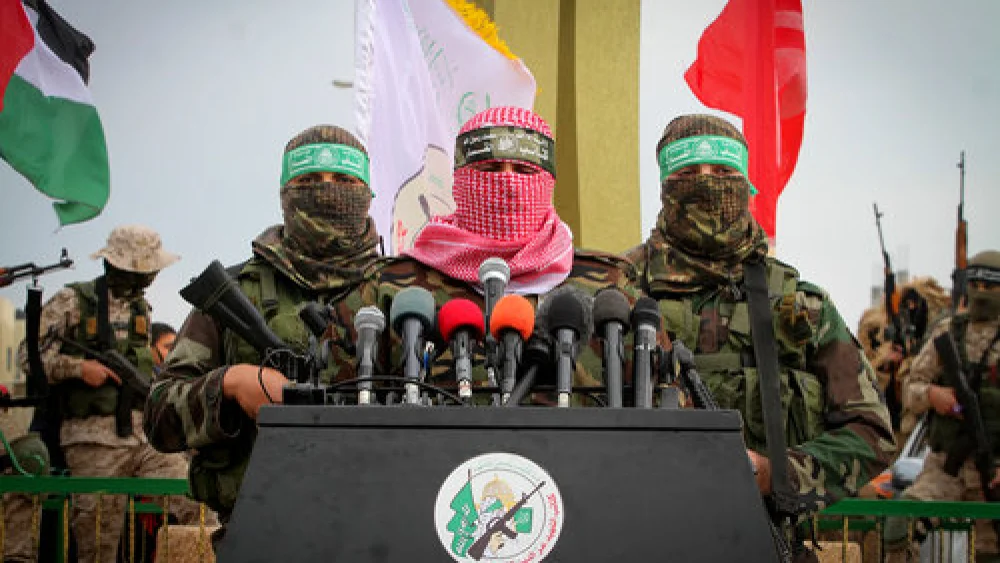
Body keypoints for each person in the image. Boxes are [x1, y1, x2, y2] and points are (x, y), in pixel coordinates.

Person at [624, 114, 895, 559]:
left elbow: (871, 433)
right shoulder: (620, 295)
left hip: (767, 542)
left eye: (723, 172)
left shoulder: (800, 305)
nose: (707, 184)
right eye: (688, 173)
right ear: (665, 185)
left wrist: (778, 475)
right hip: (641, 541)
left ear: (745, 183)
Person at [144, 125, 382, 531]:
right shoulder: (237, 293)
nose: (327, 191)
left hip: (379, 520)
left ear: (367, 192)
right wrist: (232, 384)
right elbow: (158, 416)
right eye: (309, 180)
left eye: (344, 180)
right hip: (260, 525)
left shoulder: (399, 292)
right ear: (285, 193)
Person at [378, 106, 641, 403]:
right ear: (460, 179)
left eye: (524, 171)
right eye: (490, 169)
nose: (508, 183)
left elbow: (661, 408)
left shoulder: (608, 289)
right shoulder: (400, 286)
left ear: (548, 181)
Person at [19, 225, 209, 563]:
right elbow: (28, 357)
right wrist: (79, 369)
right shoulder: (74, 300)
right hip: (93, 440)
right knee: (97, 543)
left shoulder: (141, 308)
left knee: (196, 501)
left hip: (142, 436)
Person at [884, 250, 1000, 561]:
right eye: (976, 285)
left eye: (991, 287)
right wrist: (933, 395)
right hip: (946, 469)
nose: (982, 294)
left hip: (992, 473)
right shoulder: (948, 332)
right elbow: (911, 388)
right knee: (898, 526)